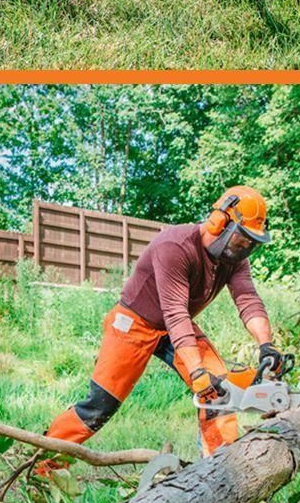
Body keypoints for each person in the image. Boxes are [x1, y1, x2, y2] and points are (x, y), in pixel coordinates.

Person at [41, 187, 285, 464]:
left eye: (251, 243)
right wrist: (196, 371)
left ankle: (220, 467)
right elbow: (175, 311)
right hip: (134, 323)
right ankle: (42, 462)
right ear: (220, 222)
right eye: (242, 239)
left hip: (175, 329)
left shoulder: (234, 260)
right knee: (99, 405)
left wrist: (267, 345)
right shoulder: (175, 246)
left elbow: (247, 298)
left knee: (220, 391)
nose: (245, 248)